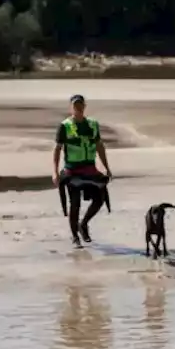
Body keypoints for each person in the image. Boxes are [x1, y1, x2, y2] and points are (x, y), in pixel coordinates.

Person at [52, 94, 113, 248]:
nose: (78, 108)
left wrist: (106, 167)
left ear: (84, 106)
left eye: (80, 105)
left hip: (90, 169)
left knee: (99, 198)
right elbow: (57, 149)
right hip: (72, 170)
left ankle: (83, 224)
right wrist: (55, 172)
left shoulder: (93, 124)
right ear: (71, 107)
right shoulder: (64, 126)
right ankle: (74, 236)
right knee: (75, 203)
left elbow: (99, 146)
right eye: (75, 105)